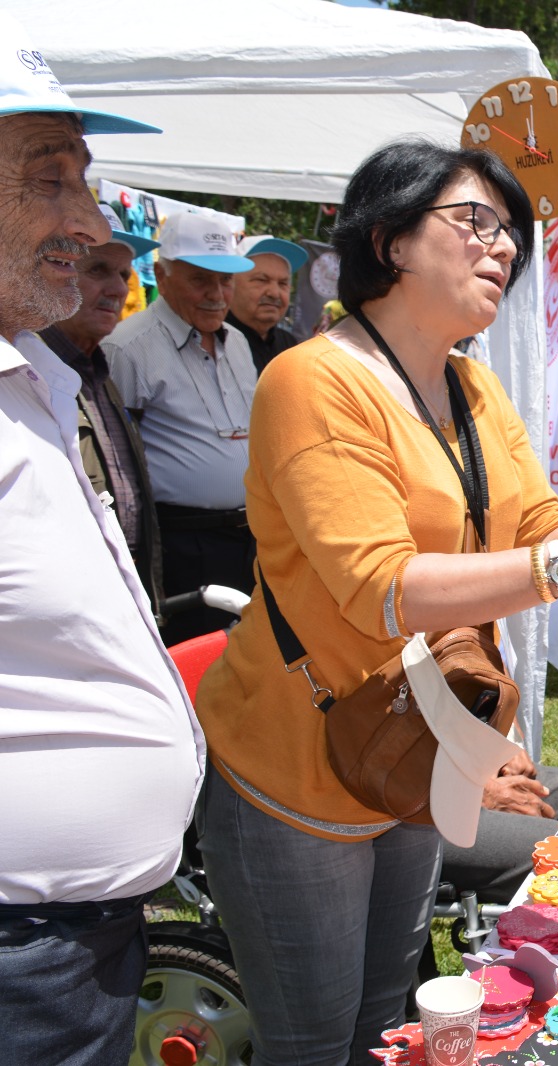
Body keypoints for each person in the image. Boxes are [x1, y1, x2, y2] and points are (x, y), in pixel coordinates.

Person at [192, 141, 558, 1064]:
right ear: (391, 239)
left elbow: (542, 521)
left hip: (419, 745)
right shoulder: (312, 380)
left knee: (385, 1028)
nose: (504, 248)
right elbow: (381, 586)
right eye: (474, 221)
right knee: (313, 1042)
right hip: (294, 775)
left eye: (510, 234)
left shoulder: (471, 385)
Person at [0, 20, 204, 1062]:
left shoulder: (33, 373)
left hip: (80, 944)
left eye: (85, 178)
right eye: (49, 180)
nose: (86, 218)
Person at [105, 210, 260, 643]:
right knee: (195, 658)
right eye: (200, 280)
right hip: (180, 545)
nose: (216, 294)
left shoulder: (238, 341)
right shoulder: (128, 348)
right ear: (161, 274)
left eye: (225, 281)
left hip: (248, 538)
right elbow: (115, 462)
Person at [38, 203, 164, 611]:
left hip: (123, 592)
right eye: (97, 270)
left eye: (124, 274)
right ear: (54, 268)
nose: (118, 289)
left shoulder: (98, 370)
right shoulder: (28, 373)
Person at [227, 234, 308, 374]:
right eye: (261, 280)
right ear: (230, 283)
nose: (274, 293)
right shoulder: (211, 344)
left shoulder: (289, 345)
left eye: (283, 283)